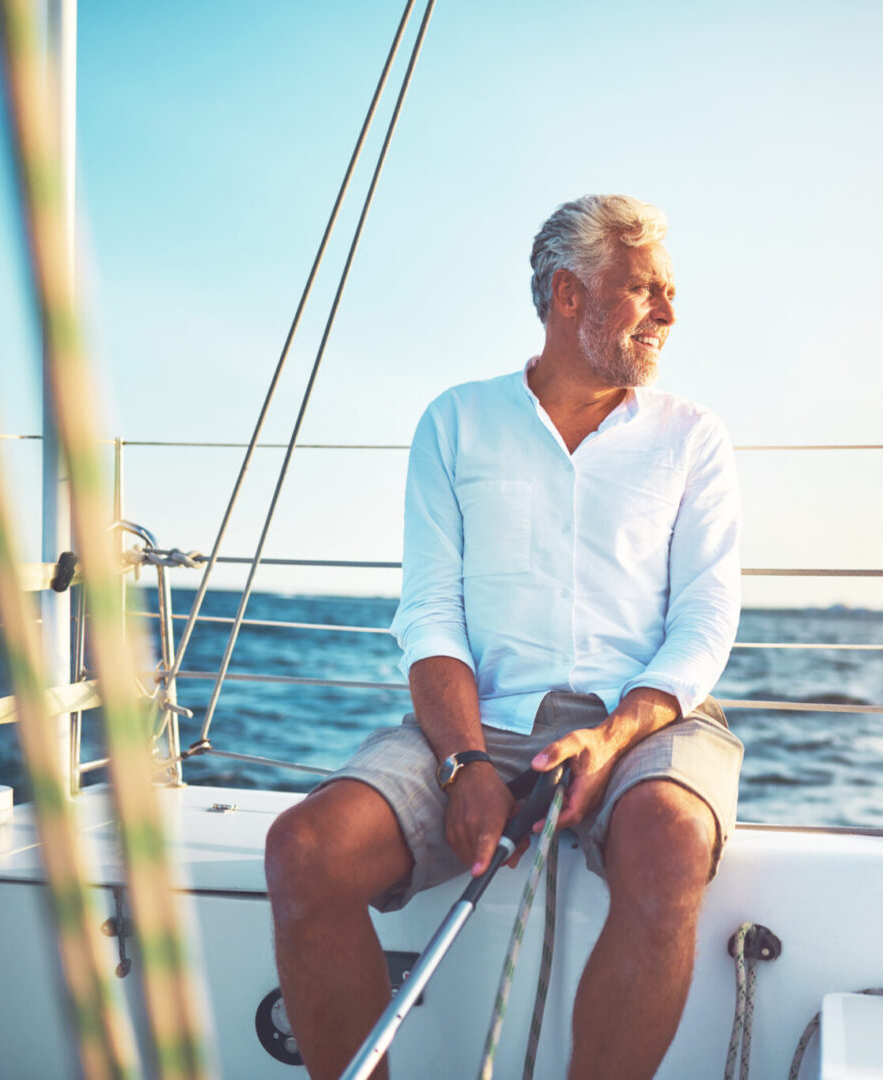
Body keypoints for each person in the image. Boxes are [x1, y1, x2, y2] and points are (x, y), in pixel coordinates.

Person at [264, 194, 744, 1080]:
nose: (670, 314)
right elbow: (430, 614)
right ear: (570, 295)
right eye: (646, 291)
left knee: (670, 844)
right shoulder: (457, 421)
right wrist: (464, 763)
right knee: (304, 854)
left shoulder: (692, 439)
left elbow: (706, 619)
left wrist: (611, 735)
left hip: (647, 721)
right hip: (480, 723)